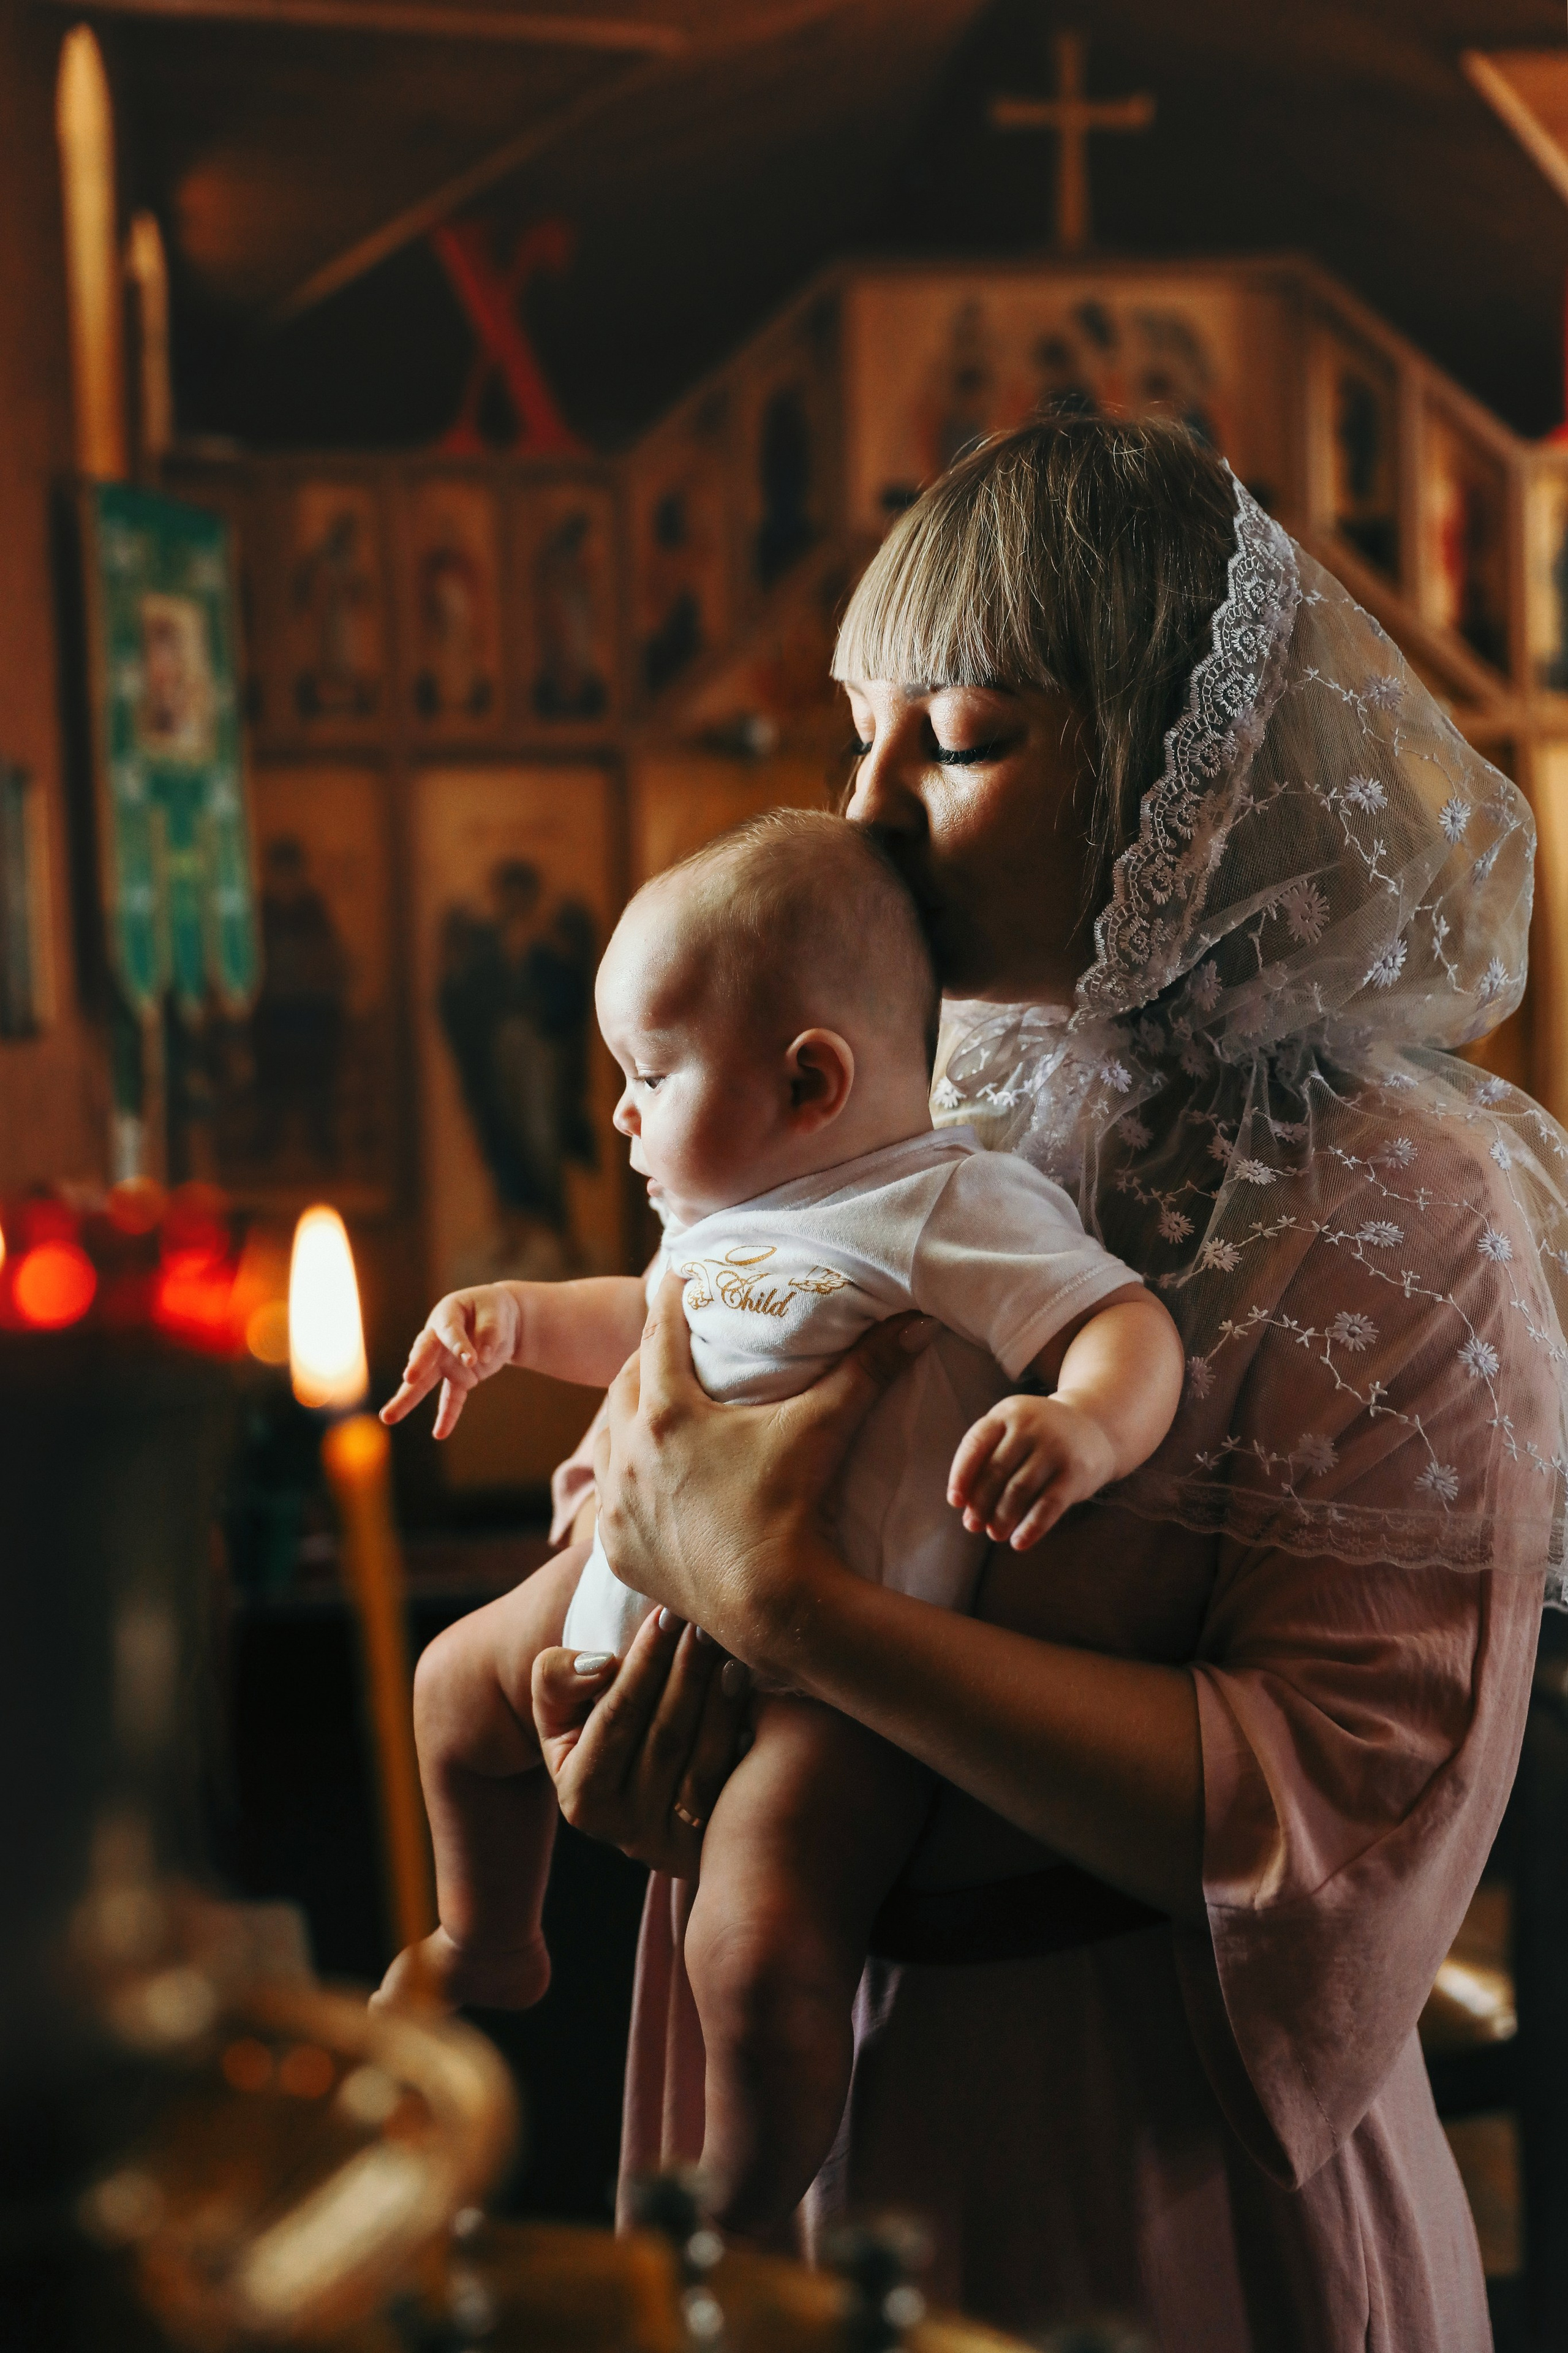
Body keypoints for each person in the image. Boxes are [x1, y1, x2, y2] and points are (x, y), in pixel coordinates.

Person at [524, 419, 1568, 2349]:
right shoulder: (908, 1094)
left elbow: (1344, 1801)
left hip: (1142, 2154)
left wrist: (797, 1614)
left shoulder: (1409, 1201)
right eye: (859, 732)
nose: (871, 806)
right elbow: (660, 1467)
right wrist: (617, 1699)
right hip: (815, 2058)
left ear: (1197, 758)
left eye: (965, 735)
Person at [379, 809, 1183, 2235]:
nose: (618, 1113)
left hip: (829, 1692)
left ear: (811, 1078)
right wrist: (505, 1322)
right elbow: (636, 1317)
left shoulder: (946, 1204)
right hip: (631, 1600)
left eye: (647, 1074)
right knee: (449, 1681)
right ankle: (486, 1940)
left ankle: (739, 2207)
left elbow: (1118, 1319)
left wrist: (1084, 1423)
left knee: (753, 1951)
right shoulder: (717, 1220)